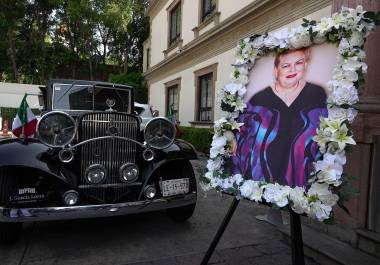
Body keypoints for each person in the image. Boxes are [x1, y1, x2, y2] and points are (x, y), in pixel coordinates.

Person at [230, 48, 327, 188]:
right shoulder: (259, 99)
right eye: (286, 66)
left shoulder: (317, 94)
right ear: (276, 70)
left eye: (299, 63)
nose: (292, 69)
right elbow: (243, 134)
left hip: (301, 178)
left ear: (305, 65)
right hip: (265, 176)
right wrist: (233, 137)